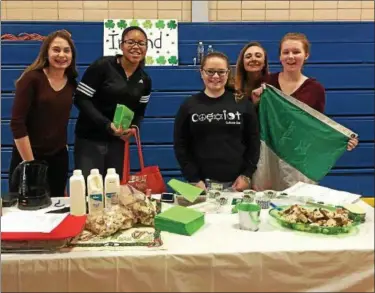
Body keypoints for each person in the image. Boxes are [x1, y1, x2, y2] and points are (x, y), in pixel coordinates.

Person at [251, 32, 358, 151]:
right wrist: (255, 102)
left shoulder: (315, 89)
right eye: (286, 52)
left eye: (296, 52)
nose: (290, 56)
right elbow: (251, 120)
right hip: (266, 152)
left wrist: (343, 140)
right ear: (280, 56)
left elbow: (316, 127)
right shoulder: (266, 82)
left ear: (306, 55)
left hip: (295, 156)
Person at [173, 52, 260, 191]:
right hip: (200, 186)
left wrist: (246, 175)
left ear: (227, 73)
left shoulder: (243, 104)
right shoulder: (188, 106)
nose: (215, 76)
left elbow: (254, 142)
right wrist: (193, 178)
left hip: (237, 185)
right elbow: (181, 146)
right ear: (202, 73)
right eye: (210, 72)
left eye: (220, 72)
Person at [73, 26, 152, 180]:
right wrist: (106, 124)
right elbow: (81, 98)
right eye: (130, 42)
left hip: (118, 143)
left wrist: (133, 127)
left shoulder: (145, 80)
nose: (136, 47)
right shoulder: (102, 66)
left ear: (146, 48)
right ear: (121, 45)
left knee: (114, 193)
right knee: (90, 191)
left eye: (141, 43)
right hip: (90, 140)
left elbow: (140, 111)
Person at [9, 30, 78, 197]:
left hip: (58, 158)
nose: (61, 55)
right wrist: (31, 165)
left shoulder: (72, 84)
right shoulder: (31, 79)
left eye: (66, 50)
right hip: (29, 156)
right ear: (46, 52)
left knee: (57, 210)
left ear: (72, 55)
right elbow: (17, 124)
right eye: (56, 49)